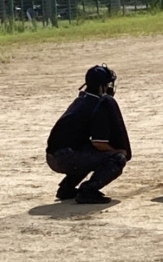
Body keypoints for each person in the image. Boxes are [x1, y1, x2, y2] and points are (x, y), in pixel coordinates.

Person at [46, 65, 131, 204]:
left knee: (87, 152)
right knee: (117, 158)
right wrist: (117, 151)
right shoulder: (99, 105)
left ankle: (67, 188)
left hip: (53, 156)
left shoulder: (82, 99)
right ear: (101, 87)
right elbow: (99, 143)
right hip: (65, 159)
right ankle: (88, 191)